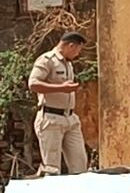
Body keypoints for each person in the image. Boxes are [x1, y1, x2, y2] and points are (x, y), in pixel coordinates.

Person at [28, 31, 88, 175]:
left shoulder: (68, 64)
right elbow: (33, 84)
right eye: (78, 50)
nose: (78, 54)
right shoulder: (47, 60)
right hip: (51, 118)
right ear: (71, 46)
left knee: (80, 165)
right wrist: (61, 88)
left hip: (70, 118)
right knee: (52, 168)